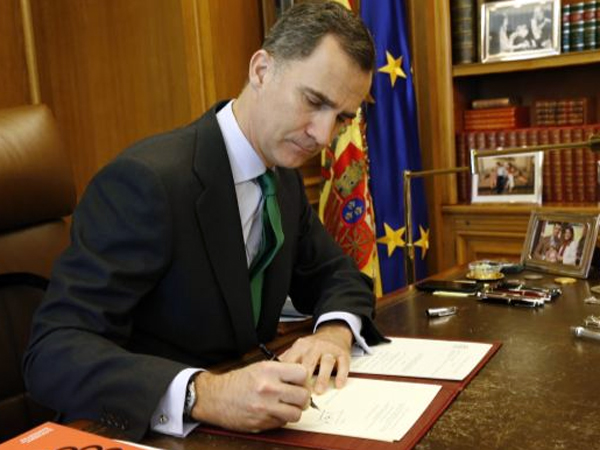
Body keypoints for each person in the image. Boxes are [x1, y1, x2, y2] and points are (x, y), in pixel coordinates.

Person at [23, 2, 385, 441]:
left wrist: (333, 333)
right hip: (139, 431)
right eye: (313, 102)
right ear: (261, 70)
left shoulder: (282, 179)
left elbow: (336, 273)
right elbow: (52, 351)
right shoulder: (147, 181)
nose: (324, 136)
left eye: (342, 118)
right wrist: (203, 393)